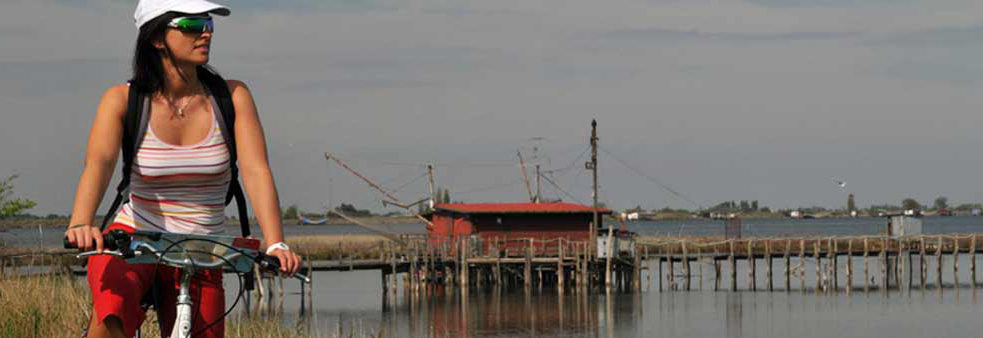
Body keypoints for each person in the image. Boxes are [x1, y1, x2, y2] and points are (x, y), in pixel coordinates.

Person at [63, 1, 301, 337]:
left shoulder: (232, 97)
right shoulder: (123, 100)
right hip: (135, 238)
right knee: (111, 312)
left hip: (202, 249)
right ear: (158, 38)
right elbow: (99, 164)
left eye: (209, 24)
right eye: (191, 24)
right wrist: (81, 223)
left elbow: (256, 170)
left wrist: (277, 243)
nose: (205, 32)